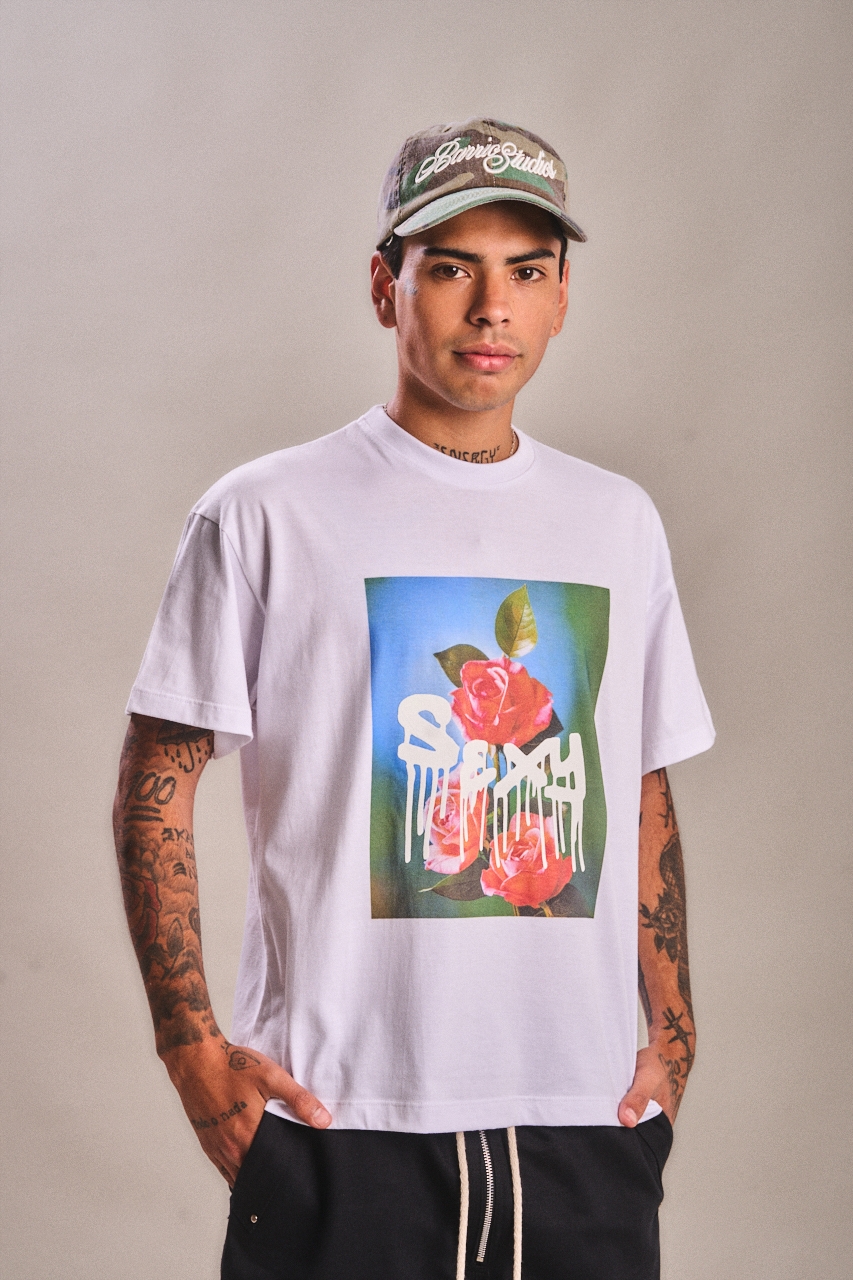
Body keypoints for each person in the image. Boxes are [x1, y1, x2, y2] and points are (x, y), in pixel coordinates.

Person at [114, 118, 714, 1280]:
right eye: (450, 268)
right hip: (339, 1119)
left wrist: (674, 1039)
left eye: (525, 271)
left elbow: (639, 782)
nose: (491, 307)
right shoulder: (265, 512)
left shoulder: (618, 521)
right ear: (385, 286)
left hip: (583, 1123)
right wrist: (191, 1048)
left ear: (560, 297)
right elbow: (157, 778)